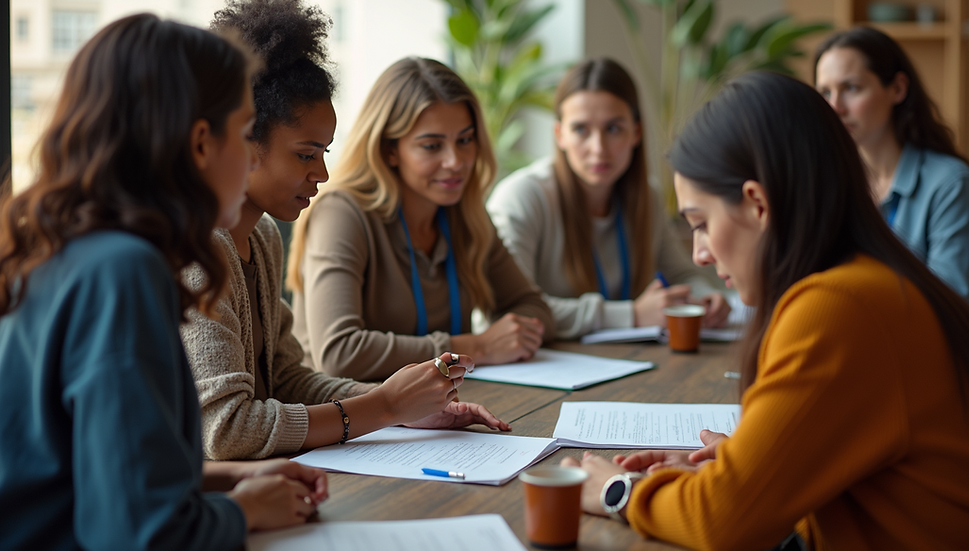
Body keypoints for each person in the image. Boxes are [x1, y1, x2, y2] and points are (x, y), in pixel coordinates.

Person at [563, 71, 969, 549]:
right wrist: (748, 465)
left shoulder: (837, 307)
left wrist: (620, 491)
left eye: (701, 223)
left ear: (757, 204)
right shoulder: (875, 281)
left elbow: (721, 520)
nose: (699, 253)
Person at [0, 14, 332, 550]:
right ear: (201, 143)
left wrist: (226, 480)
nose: (252, 158)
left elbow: (88, 475)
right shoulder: (123, 273)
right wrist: (240, 513)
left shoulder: (72, 248)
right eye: (247, 132)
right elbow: (140, 534)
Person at [181, 0, 509, 461]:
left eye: (325, 152)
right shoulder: (196, 249)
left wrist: (404, 408)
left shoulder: (262, 238)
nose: (322, 172)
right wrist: (385, 404)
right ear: (242, 139)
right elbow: (227, 430)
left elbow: (287, 379)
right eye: (305, 154)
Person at [287, 57, 556, 380]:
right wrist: (477, 347)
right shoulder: (342, 213)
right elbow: (340, 354)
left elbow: (532, 307)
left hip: (444, 406)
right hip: (355, 419)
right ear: (390, 150)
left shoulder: (463, 212)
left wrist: (516, 332)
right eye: (432, 146)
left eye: (465, 140)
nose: (455, 162)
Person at [486, 58, 730, 339]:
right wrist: (631, 315)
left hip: (626, 361)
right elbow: (510, 310)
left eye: (613, 129)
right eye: (580, 130)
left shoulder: (646, 196)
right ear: (559, 135)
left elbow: (683, 274)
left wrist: (706, 297)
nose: (598, 148)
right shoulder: (522, 197)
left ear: (635, 132)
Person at [814, 26, 969, 306]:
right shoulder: (827, 182)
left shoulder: (950, 184)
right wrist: (729, 306)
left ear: (898, 88)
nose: (835, 106)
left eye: (851, 88)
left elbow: (953, 306)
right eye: (825, 92)